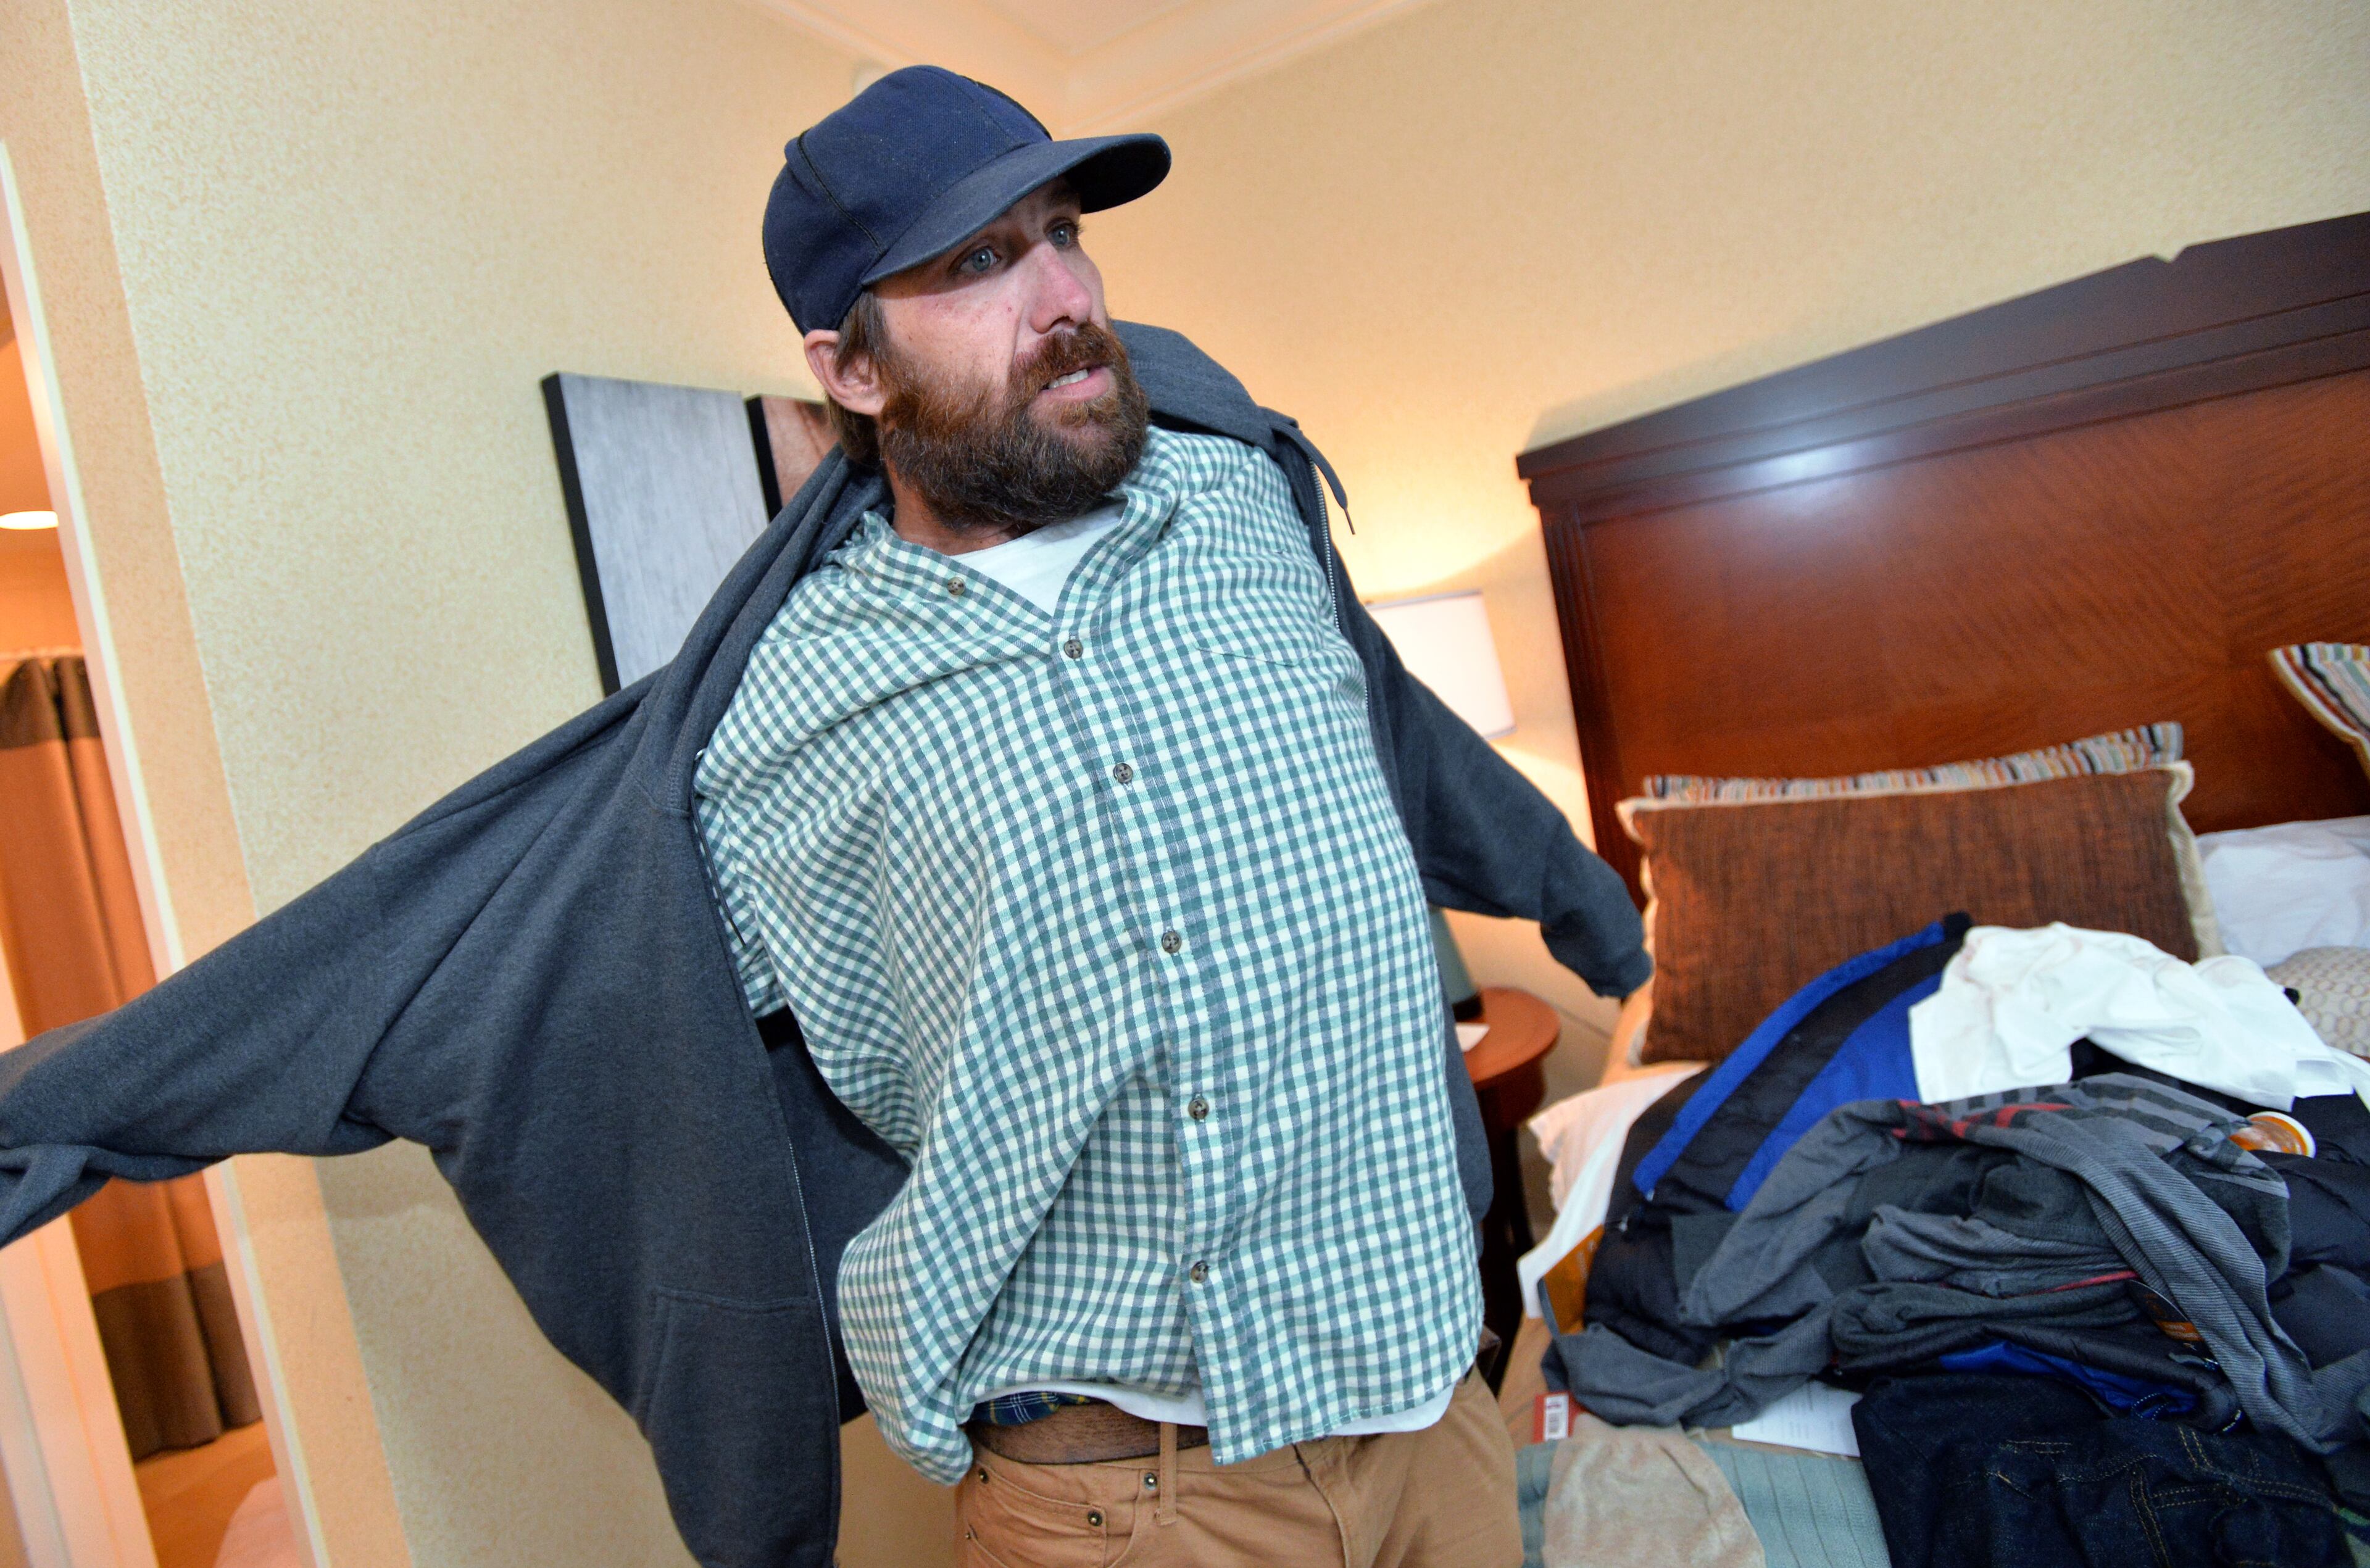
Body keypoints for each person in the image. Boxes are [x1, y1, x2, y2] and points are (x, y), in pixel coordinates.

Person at [0, 65, 1646, 1568]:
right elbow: (418, 961)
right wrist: (65, 1110)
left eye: (1063, 235)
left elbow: (1386, 724)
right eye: (977, 265)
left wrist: (1569, 893)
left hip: (1432, 1415)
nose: (1066, 295)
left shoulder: (1241, 504)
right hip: (1123, 1508)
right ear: (847, 368)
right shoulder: (774, 724)